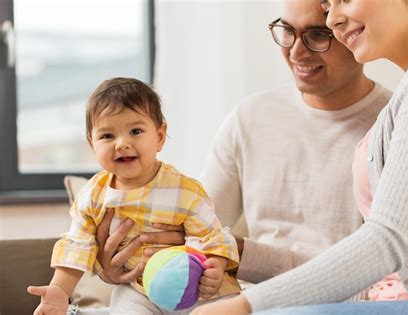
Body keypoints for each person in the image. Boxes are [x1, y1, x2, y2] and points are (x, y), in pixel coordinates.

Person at [191, 0, 408, 314]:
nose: (335, 19)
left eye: (345, 0)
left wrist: (246, 305)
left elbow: (387, 238)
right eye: (329, 5)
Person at [94, 0, 392, 291]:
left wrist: (239, 254)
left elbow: (375, 274)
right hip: (246, 299)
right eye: (287, 31)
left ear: (354, 33)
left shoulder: (396, 123)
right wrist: (116, 264)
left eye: (317, 35)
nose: (296, 51)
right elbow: (191, 225)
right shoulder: (251, 118)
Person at [27, 78, 240, 315]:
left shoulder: (184, 190)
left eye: (136, 131)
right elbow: (77, 246)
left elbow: (211, 237)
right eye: (107, 136)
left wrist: (215, 267)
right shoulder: (93, 195)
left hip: (190, 288)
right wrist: (59, 290)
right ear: (92, 144)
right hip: (137, 290)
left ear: (159, 136)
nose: (122, 144)